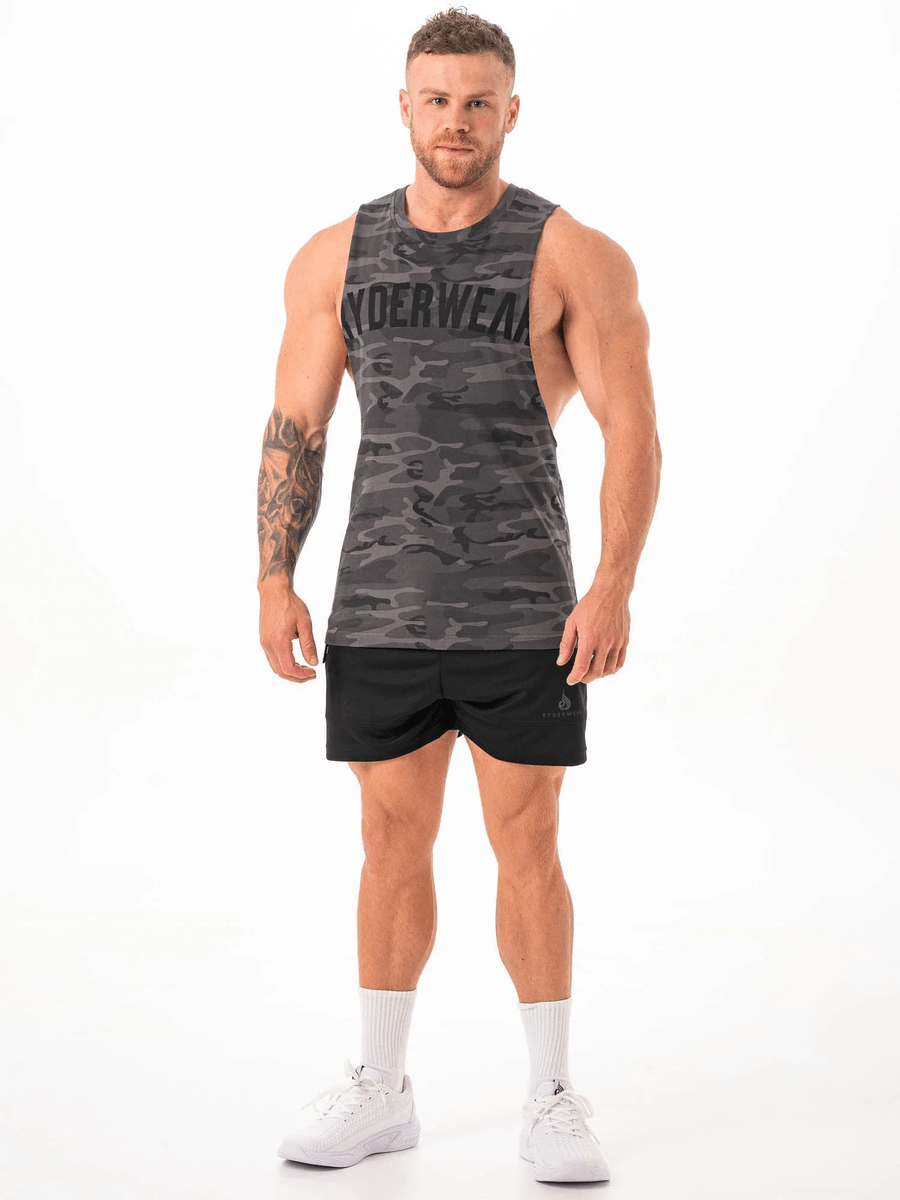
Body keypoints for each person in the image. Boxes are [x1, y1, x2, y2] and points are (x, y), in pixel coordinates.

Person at [257, 7, 661, 1184]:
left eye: (479, 101)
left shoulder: (572, 254)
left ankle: (552, 1096)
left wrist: (612, 585)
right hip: (379, 603)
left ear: (511, 112)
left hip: (524, 607)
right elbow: (295, 426)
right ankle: (381, 1088)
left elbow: (633, 436)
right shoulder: (335, 255)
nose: (456, 120)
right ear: (404, 106)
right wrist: (274, 576)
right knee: (389, 840)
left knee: (527, 841)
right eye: (437, 98)